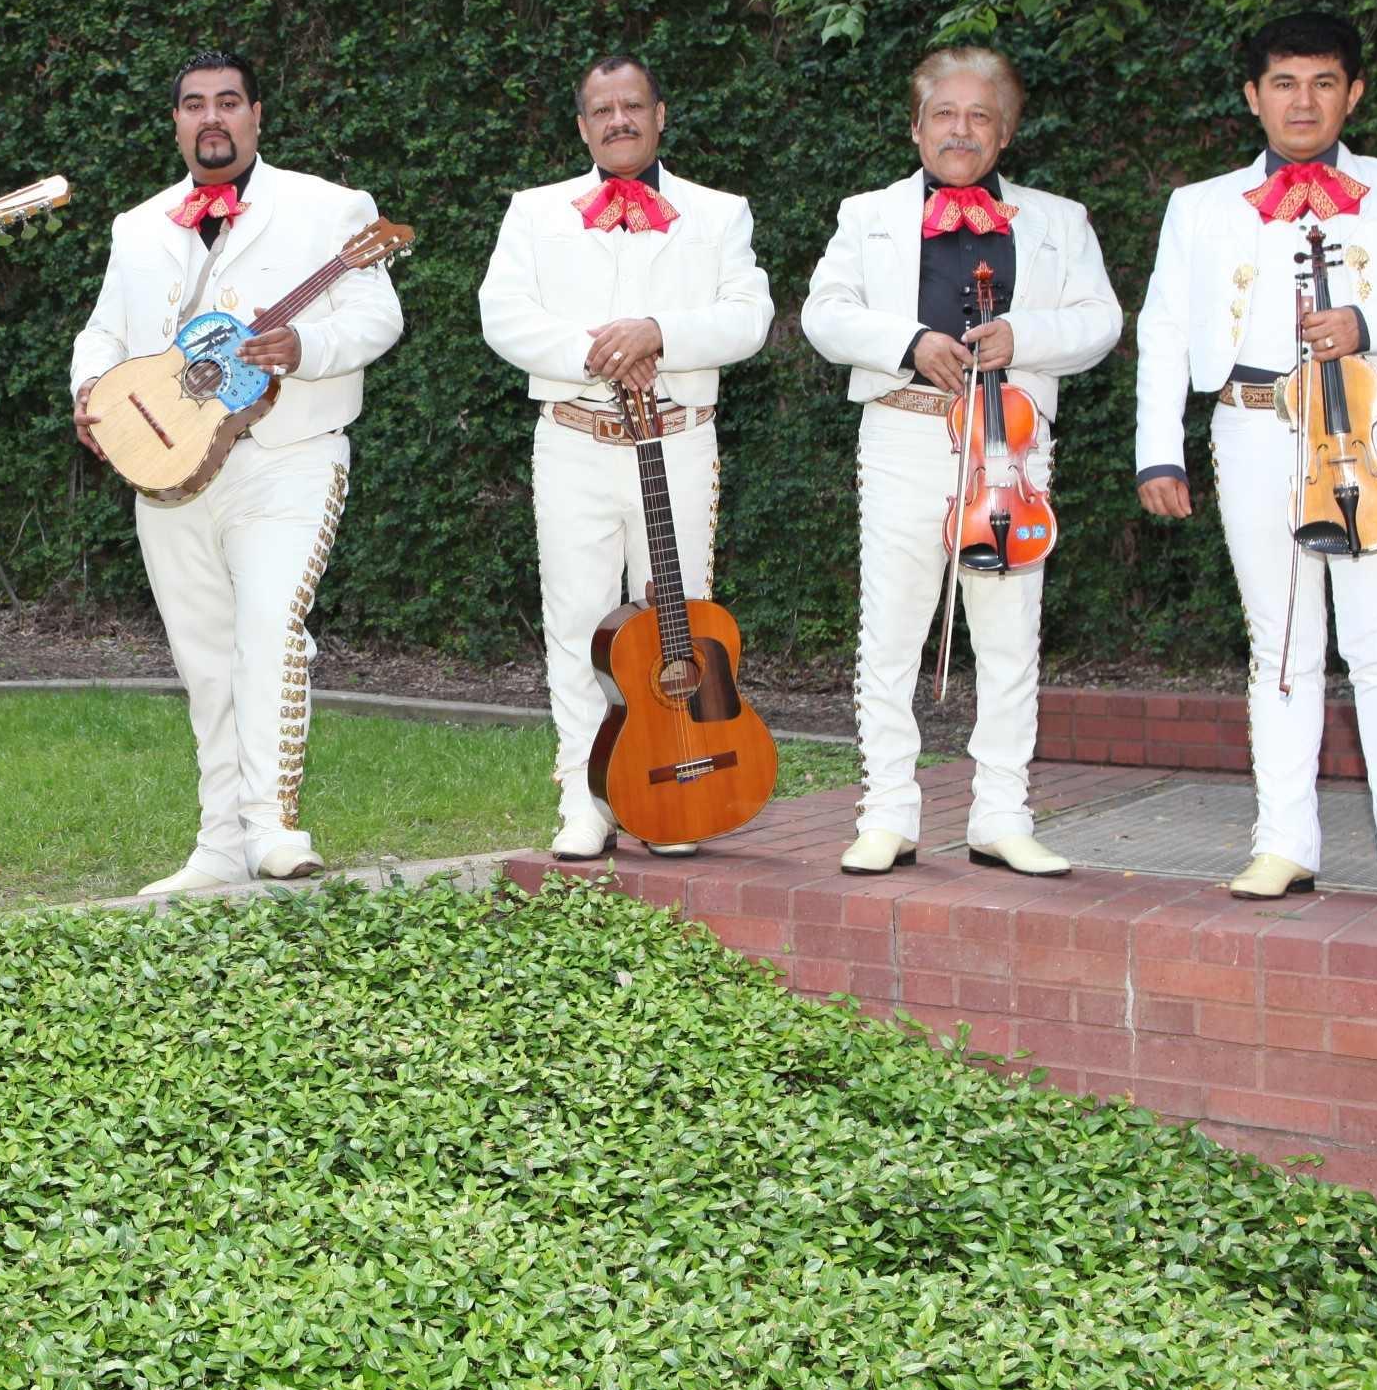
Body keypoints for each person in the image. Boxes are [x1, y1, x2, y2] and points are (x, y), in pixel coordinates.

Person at [1135, 13, 1377, 912]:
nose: (1305, 101)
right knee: (1281, 645)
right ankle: (1283, 844)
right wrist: (1157, 450)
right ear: (1253, 96)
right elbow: (1166, 330)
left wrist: (1372, 327)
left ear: (1355, 92)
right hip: (1250, 425)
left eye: (1324, 82)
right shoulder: (1201, 202)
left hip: (1372, 425)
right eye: (1285, 84)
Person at [73, 49, 405, 894]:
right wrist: (94, 397)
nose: (211, 117)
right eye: (194, 104)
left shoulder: (331, 207)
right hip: (170, 467)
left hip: (289, 455)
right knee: (203, 659)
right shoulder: (138, 225)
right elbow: (103, 335)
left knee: (271, 629)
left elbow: (378, 315)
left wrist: (306, 345)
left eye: (228, 102)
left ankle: (273, 826)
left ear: (258, 114)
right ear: (177, 120)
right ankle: (219, 843)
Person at [803, 48, 1122, 876]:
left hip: (1009, 443)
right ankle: (887, 814)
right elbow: (825, 314)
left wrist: (1028, 336)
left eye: (981, 116)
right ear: (917, 125)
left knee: (1011, 636)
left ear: (1005, 133)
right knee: (892, 632)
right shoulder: (866, 213)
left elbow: (1101, 320)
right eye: (944, 113)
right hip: (906, 433)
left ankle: (1002, 814)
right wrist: (908, 343)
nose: (960, 130)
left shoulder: (1059, 218)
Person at [478, 52, 773, 860]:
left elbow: (748, 315)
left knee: (681, 622)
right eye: (602, 110)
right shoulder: (535, 212)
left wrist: (662, 335)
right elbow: (502, 314)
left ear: (660, 113)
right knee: (575, 620)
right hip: (574, 437)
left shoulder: (720, 212)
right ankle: (584, 797)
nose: (619, 120)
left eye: (633, 105)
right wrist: (604, 349)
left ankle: (676, 786)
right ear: (582, 125)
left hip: (679, 439)